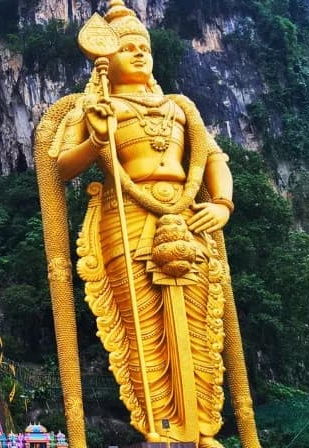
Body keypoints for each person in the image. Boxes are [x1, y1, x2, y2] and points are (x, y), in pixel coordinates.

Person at [36, 1, 258, 446]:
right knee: (141, 328)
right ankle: (157, 425)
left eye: (145, 47)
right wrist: (98, 137)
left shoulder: (180, 107)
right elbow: (59, 167)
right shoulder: (95, 105)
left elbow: (214, 160)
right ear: (106, 58)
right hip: (126, 216)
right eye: (127, 47)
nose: (139, 54)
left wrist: (223, 205)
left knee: (202, 323)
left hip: (188, 216)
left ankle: (202, 427)